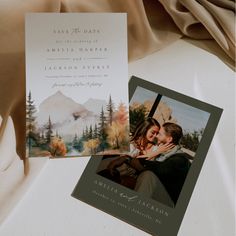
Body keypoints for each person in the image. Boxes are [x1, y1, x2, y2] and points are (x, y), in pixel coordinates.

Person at [134, 122, 191, 206]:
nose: (156, 136)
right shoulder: (163, 152)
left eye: (159, 134)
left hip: (170, 202)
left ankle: (134, 208)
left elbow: (159, 169)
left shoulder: (179, 159)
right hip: (159, 191)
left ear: (169, 139)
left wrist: (137, 161)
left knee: (148, 175)